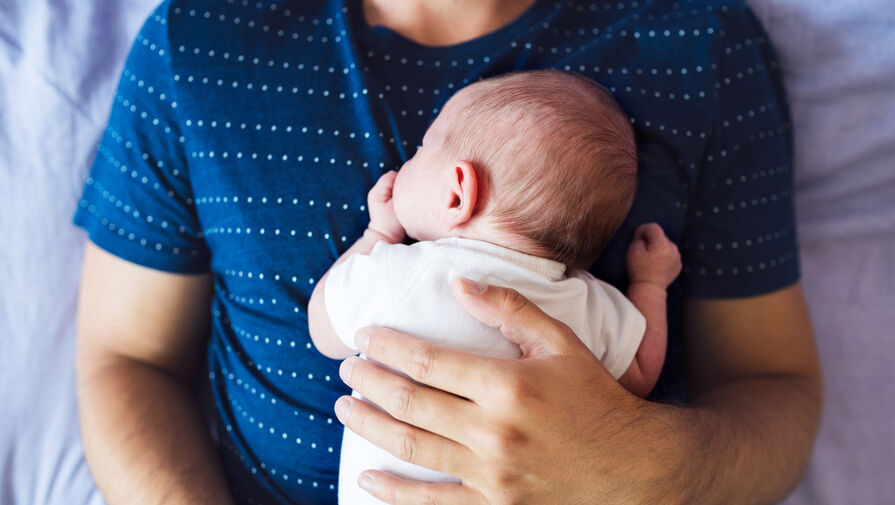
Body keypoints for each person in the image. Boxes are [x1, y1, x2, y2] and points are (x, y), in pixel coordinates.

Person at [73, 0, 821, 504]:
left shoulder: (697, 39)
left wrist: (639, 462)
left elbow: (773, 385)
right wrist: (649, 284)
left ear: (456, 192)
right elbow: (125, 359)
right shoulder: (198, 38)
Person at [305, 70, 683, 503]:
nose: (406, 162)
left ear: (456, 196)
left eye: (420, 151)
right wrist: (651, 283)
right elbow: (639, 376)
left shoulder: (404, 273)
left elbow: (323, 330)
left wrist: (377, 235)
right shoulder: (586, 302)